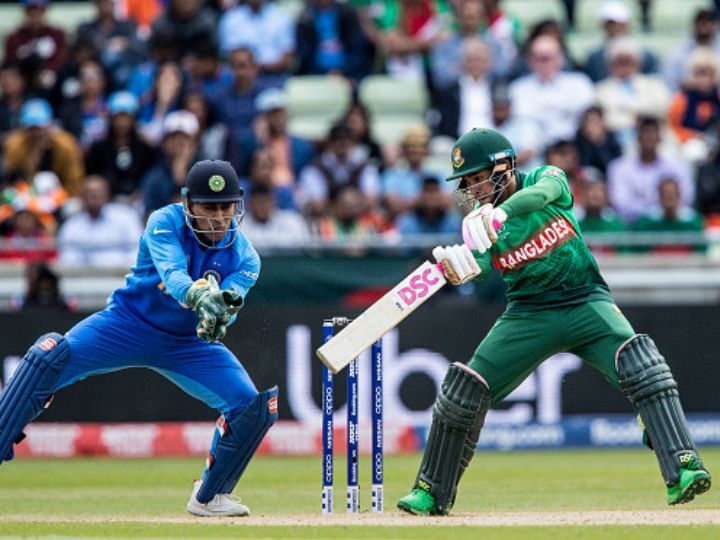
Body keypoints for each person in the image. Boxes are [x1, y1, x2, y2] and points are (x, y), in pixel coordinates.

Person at [396, 127, 711, 516]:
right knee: (463, 391)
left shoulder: (547, 177)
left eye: (478, 178)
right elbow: (480, 265)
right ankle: (430, 491)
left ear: (504, 167)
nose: (474, 189)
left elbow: (542, 195)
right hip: (528, 314)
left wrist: (502, 213)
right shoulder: (478, 223)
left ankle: (682, 466)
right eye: (468, 182)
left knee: (642, 365)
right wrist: (457, 267)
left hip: (585, 301)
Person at [0, 159, 278, 517]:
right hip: (127, 324)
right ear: (188, 203)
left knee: (253, 409)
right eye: (209, 207)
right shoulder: (164, 222)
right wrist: (198, 295)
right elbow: (173, 273)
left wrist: (220, 314)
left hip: (188, 342)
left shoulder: (246, 257)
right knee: (48, 354)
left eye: (226, 207)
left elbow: (231, 301)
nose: (219, 218)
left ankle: (210, 497)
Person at [57, 175, 144, 268]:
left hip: (124, 272)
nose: (94, 196)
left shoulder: (126, 217)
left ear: (108, 195)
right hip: (85, 275)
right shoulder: (71, 226)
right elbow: (69, 259)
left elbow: (137, 249)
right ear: (81, 197)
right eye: (89, 193)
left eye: (98, 192)